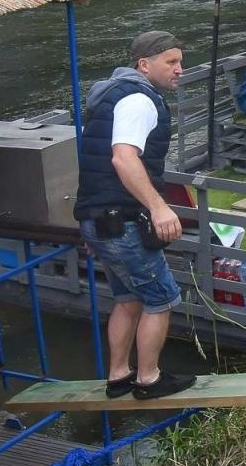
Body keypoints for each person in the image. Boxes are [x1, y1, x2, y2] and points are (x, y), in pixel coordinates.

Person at [73, 31, 198, 400]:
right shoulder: (139, 99)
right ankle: (149, 379)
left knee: (128, 298)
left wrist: (89, 223)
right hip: (121, 221)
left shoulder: (108, 97)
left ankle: (118, 376)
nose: (179, 69)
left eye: (180, 61)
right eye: (171, 62)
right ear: (144, 65)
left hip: (99, 218)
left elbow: (94, 165)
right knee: (160, 298)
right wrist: (159, 207)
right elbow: (123, 158)